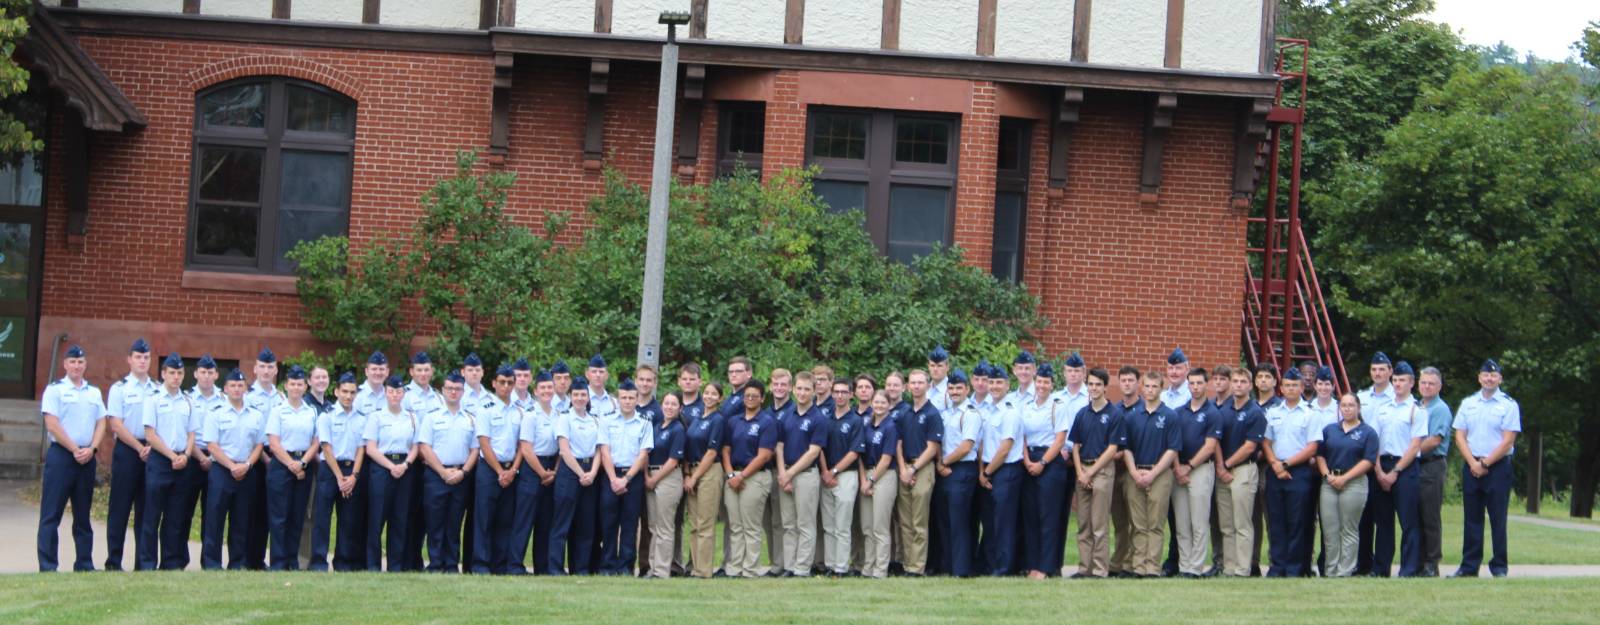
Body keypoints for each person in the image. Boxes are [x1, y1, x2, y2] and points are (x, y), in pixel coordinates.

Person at [37, 345, 107, 572]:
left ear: (85, 365)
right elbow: (52, 424)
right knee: (51, 514)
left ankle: (84, 563)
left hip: (87, 459)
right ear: (65, 364)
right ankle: (48, 565)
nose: (77, 366)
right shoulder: (55, 390)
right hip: (62, 457)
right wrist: (74, 448)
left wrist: (93, 449)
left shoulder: (93, 392)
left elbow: (101, 423)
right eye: (72, 362)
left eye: (80, 362)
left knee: (83, 515)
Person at [1451, 359, 1519, 578]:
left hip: (1497, 468)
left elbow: (1508, 440)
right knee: (1472, 518)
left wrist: (1485, 463)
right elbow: (1459, 434)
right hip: (1472, 465)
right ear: (1479, 377)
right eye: (1485, 375)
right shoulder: (1468, 403)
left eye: (1493, 375)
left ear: (1500, 378)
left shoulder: (1508, 405)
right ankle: (1469, 566)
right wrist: (1473, 463)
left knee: (1498, 518)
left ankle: (1499, 567)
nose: (1489, 378)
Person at [201, 368, 265, 570]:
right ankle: (212, 563)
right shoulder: (216, 413)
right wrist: (231, 466)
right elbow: (211, 445)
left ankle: (237, 562)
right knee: (215, 518)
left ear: (246, 388)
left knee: (241, 520)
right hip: (222, 470)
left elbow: (259, 445)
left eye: (240, 386)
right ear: (225, 389)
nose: (237, 389)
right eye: (233, 386)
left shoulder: (255, 415)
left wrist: (246, 465)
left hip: (246, 471)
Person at [1367, 361, 1426, 577]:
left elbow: (1415, 445)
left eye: (1402, 380)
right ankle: (1380, 568)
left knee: (1408, 521)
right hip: (1382, 464)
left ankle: (1408, 569)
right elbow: (1373, 440)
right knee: (1383, 521)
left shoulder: (1416, 409)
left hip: (1405, 467)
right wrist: (1379, 470)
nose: (1398, 384)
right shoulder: (1383, 408)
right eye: (1396, 380)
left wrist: (1395, 472)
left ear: (1412, 383)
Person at [1261, 367, 1321, 577]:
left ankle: (1295, 568)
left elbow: (1312, 448)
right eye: (1287, 385)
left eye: (1295, 385)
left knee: (1298, 522)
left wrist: (1285, 465)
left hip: (1299, 472)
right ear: (1282, 388)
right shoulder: (1273, 412)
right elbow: (1266, 442)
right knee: (1276, 521)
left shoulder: (1310, 414)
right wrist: (1276, 464)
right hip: (1275, 471)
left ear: (1302, 387)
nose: (1291, 389)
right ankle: (1278, 567)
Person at [139, 353, 196, 571]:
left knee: (175, 517)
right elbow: (150, 435)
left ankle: (170, 563)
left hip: (182, 462)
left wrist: (186, 456)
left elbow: (192, 433)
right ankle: (147, 563)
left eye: (180, 373)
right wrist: (173, 457)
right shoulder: (153, 399)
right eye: (171, 372)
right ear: (163, 374)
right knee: (152, 515)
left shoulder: (187, 401)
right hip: (160, 462)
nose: (176, 377)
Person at [417, 371, 477, 573]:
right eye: (450, 388)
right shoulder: (432, 417)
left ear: (463, 392)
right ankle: (435, 563)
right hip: (436, 475)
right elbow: (424, 447)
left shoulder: (470, 419)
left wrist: (464, 472)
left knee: (454, 523)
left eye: (458, 389)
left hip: (461, 475)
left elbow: (475, 449)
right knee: (434, 522)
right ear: (443, 391)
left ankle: (451, 564)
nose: (453, 392)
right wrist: (442, 472)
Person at [105, 338, 157, 571]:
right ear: (129, 360)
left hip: (153, 450)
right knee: (120, 507)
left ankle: (143, 563)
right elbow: (115, 424)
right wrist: (138, 447)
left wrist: (151, 448)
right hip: (128, 451)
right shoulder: (120, 388)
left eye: (146, 357)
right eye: (138, 357)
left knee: (147, 510)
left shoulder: (158, 389)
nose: (142, 361)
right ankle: (114, 561)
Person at [265, 365, 320, 570]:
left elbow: (316, 442)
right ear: (286, 386)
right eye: (292, 384)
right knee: (279, 518)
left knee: (297, 516)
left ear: (306, 387)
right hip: (281, 466)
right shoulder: (278, 411)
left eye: (300, 384)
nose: (296, 388)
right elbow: (273, 442)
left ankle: (292, 561)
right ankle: (278, 563)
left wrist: (303, 463)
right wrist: (291, 465)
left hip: (303, 467)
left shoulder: (311, 412)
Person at [1069, 367, 1123, 578]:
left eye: (1098, 384)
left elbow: (1112, 449)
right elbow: (1075, 445)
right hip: (1082, 470)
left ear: (1105, 387)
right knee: (1084, 524)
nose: (1094, 388)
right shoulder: (1082, 413)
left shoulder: (1114, 414)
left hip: (1101, 471)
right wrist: (1081, 472)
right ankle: (1084, 568)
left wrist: (1091, 473)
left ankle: (1100, 570)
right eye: (1090, 384)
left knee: (1099, 524)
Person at [1316, 393, 1377, 577]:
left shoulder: (1368, 433)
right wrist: (1328, 476)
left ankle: (1345, 570)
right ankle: (1331, 570)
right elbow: (1320, 456)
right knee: (1330, 529)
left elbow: (1368, 461)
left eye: (1351, 405)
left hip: (1354, 483)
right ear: (1339, 408)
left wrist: (1345, 478)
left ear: (1358, 408)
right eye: (1344, 405)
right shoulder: (1330, 430)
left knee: (1348, 529)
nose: (1347, 408)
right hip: (1329, 483)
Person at [1019, 363, 1071, 579]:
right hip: (1028, 458)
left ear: (1052, 385)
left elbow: (1060, 439)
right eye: (1039, 381)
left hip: (1050, 462)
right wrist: (1027, 460)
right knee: (1030, 516)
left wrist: (1042, 463)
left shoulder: (1058, 406)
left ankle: (1046, 566)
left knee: (1048, 517)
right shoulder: (1027, 405)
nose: (1041, 386)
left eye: (1046, 382)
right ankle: (1032, 564)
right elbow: (1021, 435)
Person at [311, 372, 366, 572]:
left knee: (348, 520)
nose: (348, 396)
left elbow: (362, 449)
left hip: (351, 471)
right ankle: (318, 562)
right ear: (336, 392)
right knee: (322, 519)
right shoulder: (327, 416)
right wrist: (339, 477)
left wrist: (353, 476)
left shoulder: (361, 419)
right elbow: (326, 447)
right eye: (344, 391)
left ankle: (343, 562)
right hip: (330, 470)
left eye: (352, 392)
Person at [722, 380, 777, 578]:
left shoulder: (767, 422)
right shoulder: (734, 421)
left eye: (755, 396)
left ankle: (750, 568)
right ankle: (735, 567)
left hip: (755, 477)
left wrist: (742, 476)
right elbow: (725, 450)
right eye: (747, 396)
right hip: (733, 476)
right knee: (735, 526)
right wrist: (730, 475)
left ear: (762, 398)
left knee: (751, 526)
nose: (750, 399)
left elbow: (764, 455)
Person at [598, 378, 652, 575]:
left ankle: (626, 567)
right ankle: (608, 566)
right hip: (610, 476)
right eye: (623, 397)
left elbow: (643, 454)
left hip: (633, 478)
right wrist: (613, 479)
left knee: (629, 524)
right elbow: (604, 451)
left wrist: (626, 479)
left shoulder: (644, 423)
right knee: (609, 523)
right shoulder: (607, 420)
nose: (627, 401)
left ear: (637, 399)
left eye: (631, 398)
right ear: (618, 399)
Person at [472, 364, 522, 575]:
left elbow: (522, 444)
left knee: (505, 520)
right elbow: (484, 443)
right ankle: (481, 565)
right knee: (484, 519)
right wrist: (500, 471)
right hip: (489, 470)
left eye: (510, 383)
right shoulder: (485, 409)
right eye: (502, 382)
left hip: (511, 471)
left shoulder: (519, 410)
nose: (506, 386)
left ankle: (499, 565)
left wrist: (512, 471)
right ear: (493, 383)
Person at [364, 375, 417, 572]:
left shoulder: (411, 417)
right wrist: (390, 466)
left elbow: (415, 446)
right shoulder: (376, 416)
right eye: (391, 391)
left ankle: (396, 565)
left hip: (404, 468)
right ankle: (373, 565)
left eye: (398, 391)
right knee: (377, 518)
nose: (395, 395)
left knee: (400, 518)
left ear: (403, 393)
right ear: (385, 393)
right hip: (381, 468)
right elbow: (371, 448)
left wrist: (405, 465)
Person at [775, 372, 827, 577]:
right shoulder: (786, 415)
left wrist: (790, 474)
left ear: (814, 391)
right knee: (789, 524)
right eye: (799, 388)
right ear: (794, 389)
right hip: (785, 473)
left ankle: (802, 568)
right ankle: (789, 566)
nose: (803, 393)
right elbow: (779, 447)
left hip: (806, 475)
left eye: (807, 389)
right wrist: (782, 474)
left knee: (805, 524)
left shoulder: (818, 418)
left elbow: (814, 451)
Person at [1215, 366, 1265, 577]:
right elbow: (1215, 440)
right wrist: (1220, 466)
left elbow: (1250, 446)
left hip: (1244, 470)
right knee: (1226, 524)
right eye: (1235, 381)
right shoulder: (1223, 410)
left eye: (1243, 382)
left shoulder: (1255, 412)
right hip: (1222, 471)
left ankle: (1243, 568)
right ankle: (1229, 567)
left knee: (1242, 523)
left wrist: (1227, 465)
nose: (1238, 385)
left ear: (1250, 385)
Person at [1172, 368, 1221, 578]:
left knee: (1199, 521)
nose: (1195, 387)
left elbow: (1210, 446)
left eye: (1199, 383)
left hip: (1200, 469)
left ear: (1206, 384)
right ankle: (1184, 565)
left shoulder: (1213, 413)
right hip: (1178, 470)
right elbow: (1172, 443)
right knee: (1182, 522)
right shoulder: (1179, 412)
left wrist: (1189, 467)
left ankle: (1196, 567)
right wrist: (1177, 468)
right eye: (1191, 383)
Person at [549, 383, 603, 575]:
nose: (580, 398)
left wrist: (593, 473)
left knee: (586, 524)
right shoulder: (564, 418)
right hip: (570, 471)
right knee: (562, 523)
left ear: (588, 397)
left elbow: (599, 449)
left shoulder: (594, 420)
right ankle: (555, 568)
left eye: (583, 394)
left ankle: (580, 568)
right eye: (576, 394)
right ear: (571, 397)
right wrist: (581, 474)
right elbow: (564, 450)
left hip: (591, 471)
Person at [894, 369, 943, 576]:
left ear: (927, 385)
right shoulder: (904, 413)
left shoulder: (932, 414)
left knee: (919, 521)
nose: (916, 386)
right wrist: (904, 469)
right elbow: (898, 443)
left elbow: (933, 448)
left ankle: (917, 567)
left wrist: (913, 468)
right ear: (907, 386)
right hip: (904, 468)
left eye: (920, 382)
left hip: (922, 469)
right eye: (912, 383)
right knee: (905, 522)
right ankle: (907, 563)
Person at [511, 366, 558, 575]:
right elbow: (526, 448)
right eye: (543, 388)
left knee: (545, 521)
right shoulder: (531, 414)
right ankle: (514, 565)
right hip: (533, 470)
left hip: (552, 467)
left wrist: (553, 471)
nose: (547, 391)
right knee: (524, 520)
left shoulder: (558, 414)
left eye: (550, 387)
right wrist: (542, 473)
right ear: (536, 391)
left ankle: (542, 566)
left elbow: (562, 445)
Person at [935, 369, 981, 577]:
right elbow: (938, 441)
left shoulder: (970, 414)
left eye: (958, 388)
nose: (954, 391)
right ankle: (948, 565)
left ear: (967, 389)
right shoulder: (945, 414)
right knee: (944, 520)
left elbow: (966, 446)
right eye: (951, 388)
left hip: (962, 470)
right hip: (944, 469)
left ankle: (962, 569)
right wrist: (940, 463)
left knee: (959, 521)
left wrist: (943, 462)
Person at [978, 365, 1023, 576]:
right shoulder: (987, 410)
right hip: (988, 469)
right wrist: (982, 470)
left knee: (1004, 522)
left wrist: (987, 473)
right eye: (992, 382)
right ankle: (989, 564)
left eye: (999, 383)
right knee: (990, 522)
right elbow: (983, 444)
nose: (994, 386)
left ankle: (1004, 568)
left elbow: (1005, 448)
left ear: (1008, 385)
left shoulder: (1010, 412)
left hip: (1005, 471)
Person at [1355, 351, 1397, 575]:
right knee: (1363, 518)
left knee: (1384, 519)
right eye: (1374, 369)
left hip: (1385, 464)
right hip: (1362, 464)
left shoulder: (1397, 397)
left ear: (1390, 371)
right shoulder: (1361, 398)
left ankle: (1381, 567)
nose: (1378, 373)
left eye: (1382, 369)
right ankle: (1362, 564)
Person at [243, 347, 282, 570]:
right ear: (255, 369)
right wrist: (261, 458)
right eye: (263, 367)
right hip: (255, 458)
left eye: (270, 367)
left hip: (277, 458)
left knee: (270, 510)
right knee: (251, 509)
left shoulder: (281, 397)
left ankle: (259, 559)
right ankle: (249, 558)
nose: (266, 371)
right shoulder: (247, 395)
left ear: (276, 370)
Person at [820, 379, 863, 577]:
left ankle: (841, 567)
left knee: (842, 525)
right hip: (825, 476)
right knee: (828, 525)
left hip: (846, 476)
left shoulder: (855, 420)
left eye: (843, 392)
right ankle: (830, 565)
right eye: (836, 392)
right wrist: (824, 471)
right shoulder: (825, 418)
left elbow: (854, 452)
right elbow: (818, 447)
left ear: (850, 394)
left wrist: (834, 471)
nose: (839, 395)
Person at [682, 381, 725, 578]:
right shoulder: (697, 418)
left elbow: (711, 452)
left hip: (708, 472)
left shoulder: (717, 420)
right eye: (706, 393)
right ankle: (694, 566)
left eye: (713, 394)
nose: (708, 396)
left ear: (720, 398)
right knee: (694, 523)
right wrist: (687, 474)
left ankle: (704, 569)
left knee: (705, 522)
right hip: (692, 472)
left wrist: (695, 477)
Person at [643, 392, 686, 578]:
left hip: (667, 478)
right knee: (653, 526)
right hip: (651, 476)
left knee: (665, 527)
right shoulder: (656, 427)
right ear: (661, 406)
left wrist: (654, 479)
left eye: (673, 404)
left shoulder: (678, 430)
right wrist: (646, 475)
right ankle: (653, 567)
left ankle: (661, 570)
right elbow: (646, 452)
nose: (669, 407)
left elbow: (673, 460)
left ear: (680, 408)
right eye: (666, 403)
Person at [858, 389, 900, 579]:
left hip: (884, 475)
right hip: (866, 474)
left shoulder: (891, 426)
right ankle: (868, 566)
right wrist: (863, 480)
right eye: (877, 402)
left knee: (880, 526)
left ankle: (880, 569)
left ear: (889, 405)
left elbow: (886, 458)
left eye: (884, 402)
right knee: (867, 526)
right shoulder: (866, 425)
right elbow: (859, 455)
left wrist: (871, 480)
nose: (879, 405)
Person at [1416, 366, 1453, 577]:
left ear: (1439, 386)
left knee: (1430, 516)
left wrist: (1409, 453)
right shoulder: (1418, 406)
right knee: (1417, 516)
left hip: (1432, 464)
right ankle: (1419, 561)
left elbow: (1434, 440)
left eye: (1431, 383)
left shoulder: (1440, 409)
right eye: (1424, 382)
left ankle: (1432, 563)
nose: (1427, 386)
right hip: (1416, 465)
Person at [1107, 365, 1141, 577]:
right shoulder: (1114, 410)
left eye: (1131, 380)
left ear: (1138, 383)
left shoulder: (1145, 409)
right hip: (1113, 471)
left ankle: (1132, 563)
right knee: (1119, 521)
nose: (1127, 384)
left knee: (1135, 521)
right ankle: (1118, 562)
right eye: (1124, 380)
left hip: (1134, 471)